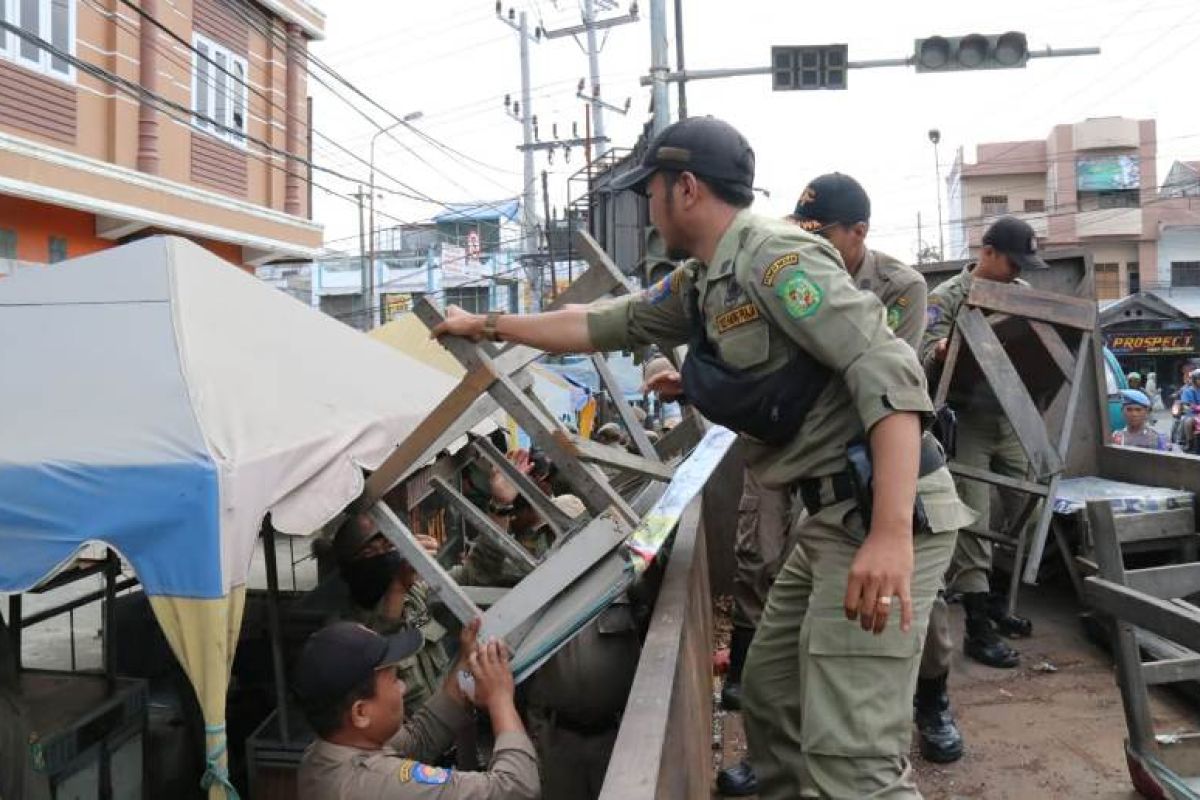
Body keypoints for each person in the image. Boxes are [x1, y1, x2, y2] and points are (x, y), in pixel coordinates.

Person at [432, 116, 974, 800]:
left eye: (649, 191)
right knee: (773, 694)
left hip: (880, 513)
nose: (647, 208)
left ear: (684, 188)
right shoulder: (704, 282)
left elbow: (889, 372)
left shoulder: (776, 259)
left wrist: (891, 533)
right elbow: (602, 323)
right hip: (828, 515)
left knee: (852, 761)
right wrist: (488, 324)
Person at [921, 215, 1050, 670]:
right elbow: (923, 350)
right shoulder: (945, 297)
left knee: (1029, 510)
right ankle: (978, 627)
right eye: (1012, 262)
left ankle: (996, 601)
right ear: (987, 252)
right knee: (971, 521)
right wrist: (947, 347)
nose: (1018, 272)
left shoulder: (1023, 296)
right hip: (968, 419)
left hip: (1013, 418)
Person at [294, 620, 540, 800]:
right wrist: (501, 700)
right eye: (394, 679)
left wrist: (465, 665)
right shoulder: (378, 783)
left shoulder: (324, 752)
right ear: (360, 713)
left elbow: (417, 740)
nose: (402, 688)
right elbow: (516, 789)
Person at [334, 514, 452, 712]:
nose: (383, 555)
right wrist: (398, 587)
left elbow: (475, 573)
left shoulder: (413, 594)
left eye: (388, 546)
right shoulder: (344, 633)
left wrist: (499, 508)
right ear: (349, 568)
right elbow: (382, 642)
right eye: (370, 552)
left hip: (444, 723)